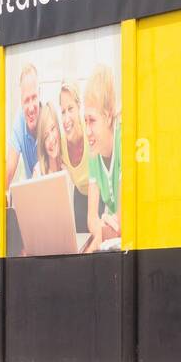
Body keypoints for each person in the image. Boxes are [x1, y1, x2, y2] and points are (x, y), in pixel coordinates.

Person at [84, 65, 121, 249]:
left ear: (107, 117)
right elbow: (91, 218)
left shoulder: (123, 140)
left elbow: (124, 221)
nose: (87, 131)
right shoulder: (93, 151)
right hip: (110, 240)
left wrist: (104, 226)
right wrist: (103, 225)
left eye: (92, 120)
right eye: (85, 121)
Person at [60, 81, 91, 233]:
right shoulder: (61, 143)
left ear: (79, 107)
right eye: (63, 111)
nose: (66, 118)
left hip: (98, 192)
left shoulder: (89, 132)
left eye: (70, 109)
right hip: (79, 195)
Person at [6, 63, 40, 189]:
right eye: (26, 100)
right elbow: (9, 170)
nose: (31, 107)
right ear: (21, 102)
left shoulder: (48, 117)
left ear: (40, 94)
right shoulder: (19, 121)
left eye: (34, 98)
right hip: (33, 191)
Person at [34, 103, 65, 178]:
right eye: (46, 135)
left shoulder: (67, 165)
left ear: (58, 128)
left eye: (53, 128)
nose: (51, 139)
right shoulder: (38, 172)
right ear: (43, 143)